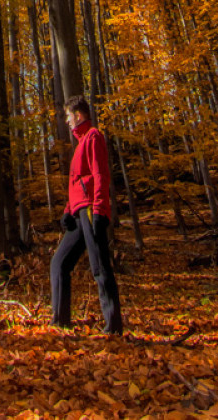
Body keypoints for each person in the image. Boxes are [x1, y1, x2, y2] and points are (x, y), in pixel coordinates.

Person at [50, 94, 123, 335]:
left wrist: (101, 209)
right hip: (78, 212)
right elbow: (77, 182)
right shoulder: (80, 144)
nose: (67, 122)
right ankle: (60, 323)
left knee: (99, 265)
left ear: (78, 115)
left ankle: (113, 326)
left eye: (69, 117)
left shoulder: (93, 137)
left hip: (92, 209)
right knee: (59, 263)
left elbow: (100, 175)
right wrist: (68, 211)